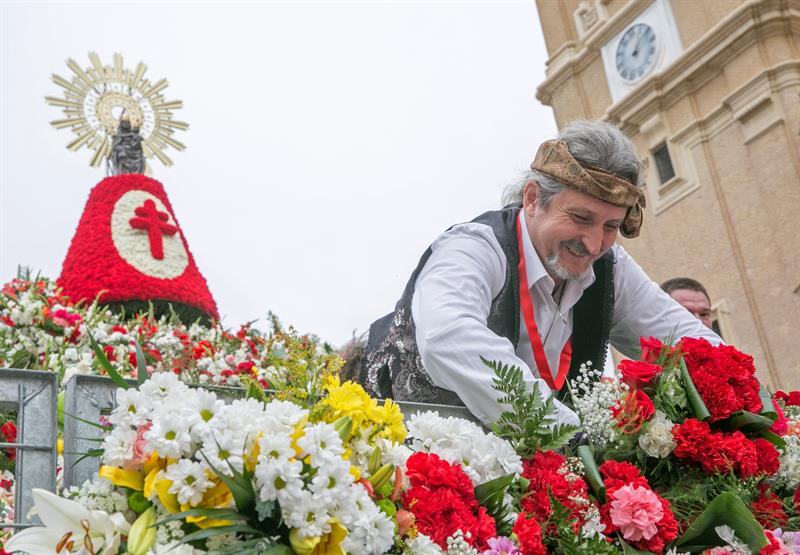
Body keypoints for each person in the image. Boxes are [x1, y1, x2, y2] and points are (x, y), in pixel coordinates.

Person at [359, 120, 721, 425]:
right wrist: (565, 430)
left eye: (611, 226)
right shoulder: (473, 247)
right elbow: (448, 337)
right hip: (404, 461)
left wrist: (742, 395)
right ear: (532, 199)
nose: (594, 243)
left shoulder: (613, 268)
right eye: (580, 218)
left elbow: (692, 343)